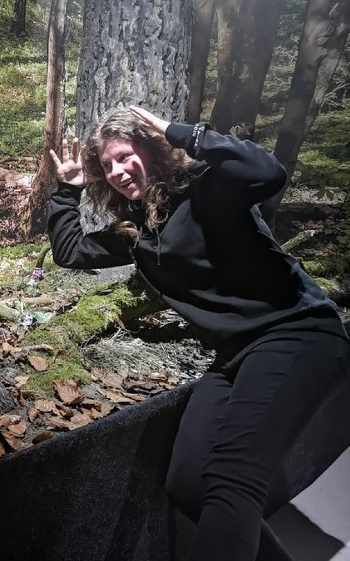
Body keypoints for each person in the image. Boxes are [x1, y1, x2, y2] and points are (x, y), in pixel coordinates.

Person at [47, 104, 350, 561]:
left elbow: (268, 172)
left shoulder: (208, 189)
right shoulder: (138, 233)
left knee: (233, 480)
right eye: (107, 165)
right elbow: (70, 251)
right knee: (189, 482)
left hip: (298, 332)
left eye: (125, 156)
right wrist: (66, 191)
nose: (118, 171)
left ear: (150, 149)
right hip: (235, 355)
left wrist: (183, 132)